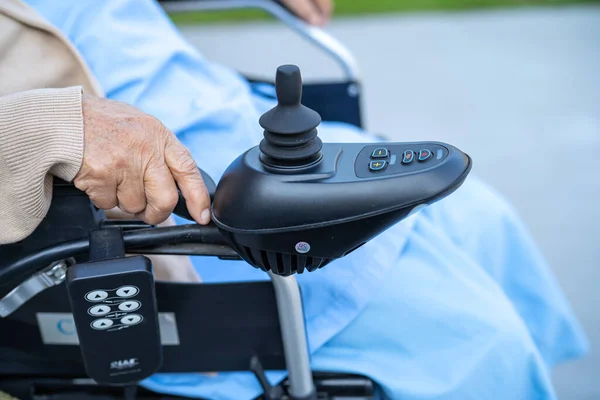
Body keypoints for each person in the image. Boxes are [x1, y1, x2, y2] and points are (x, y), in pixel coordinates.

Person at [0, 0, 589, 399]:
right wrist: (53, 129)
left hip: (208, 99)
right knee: (478, 343)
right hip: (153, 195)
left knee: (485, 220)